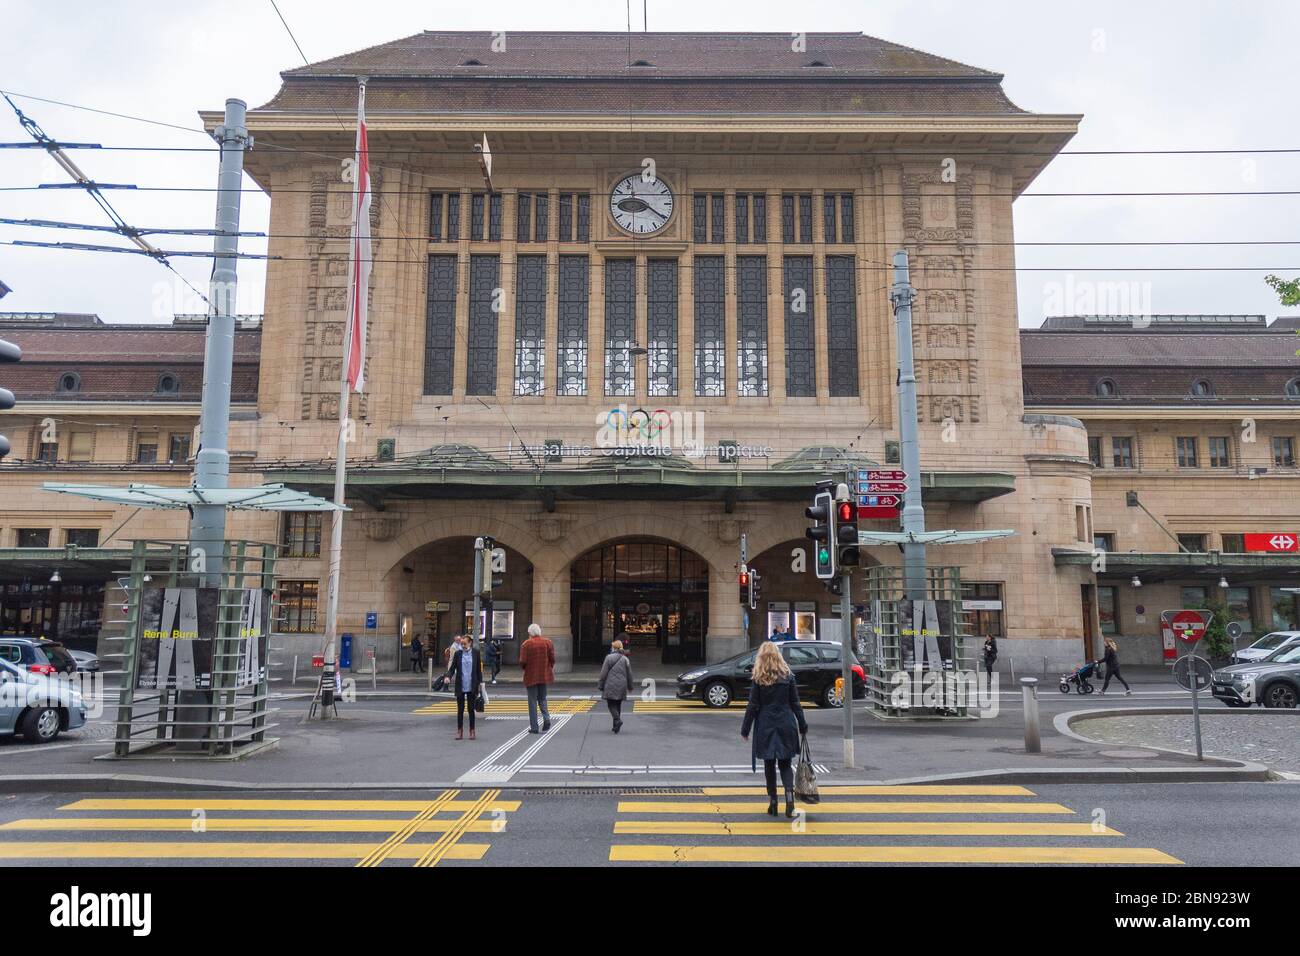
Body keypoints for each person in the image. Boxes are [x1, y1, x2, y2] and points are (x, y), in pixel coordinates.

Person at [741, 641, 808, 819]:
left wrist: (745, 729)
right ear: (778, 656)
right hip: (786, 722)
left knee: (769, 764)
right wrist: (803, 725)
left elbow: (753, 706)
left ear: (761, 658)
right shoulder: (788, 676)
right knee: (785, 764)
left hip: (766, 724)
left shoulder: (759, 679)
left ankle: (773, 802)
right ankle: (789, 798)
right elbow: (795, 704)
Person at [519, 623, 555, 734]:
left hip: (531, 676)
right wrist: (548, 668)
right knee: (543, 698)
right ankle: (546, 718)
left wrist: (525, 668)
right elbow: (552, 658)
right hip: (544, 675)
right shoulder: (547, 642)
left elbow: (522, 661)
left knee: (532, 701)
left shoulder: (526, 644)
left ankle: (534, 727)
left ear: (530, 633)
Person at [446, 634, 483, 739]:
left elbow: (478, 670)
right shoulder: (458, 654)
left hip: (472, 685)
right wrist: (448, 676)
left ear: (470, 643)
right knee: (460, 709)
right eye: (461, 644)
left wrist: (481, 683)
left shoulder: (476, 653)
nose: (462, 645)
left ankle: (472, 731)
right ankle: (459, 731)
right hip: (460, 685)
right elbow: (452, 668)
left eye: (464, 643)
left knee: (471, 709)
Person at [597, 639, 634, 733]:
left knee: (610, 704)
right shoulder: (625, 659)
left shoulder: (609, 658)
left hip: (611, 684)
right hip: (622, 685)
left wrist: (601, 685)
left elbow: (603, 673)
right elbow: (630, 674)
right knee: (618, 704)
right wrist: (630, 686)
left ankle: (617, 720)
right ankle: (615, 726)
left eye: (612, 646)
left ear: (614, 648)